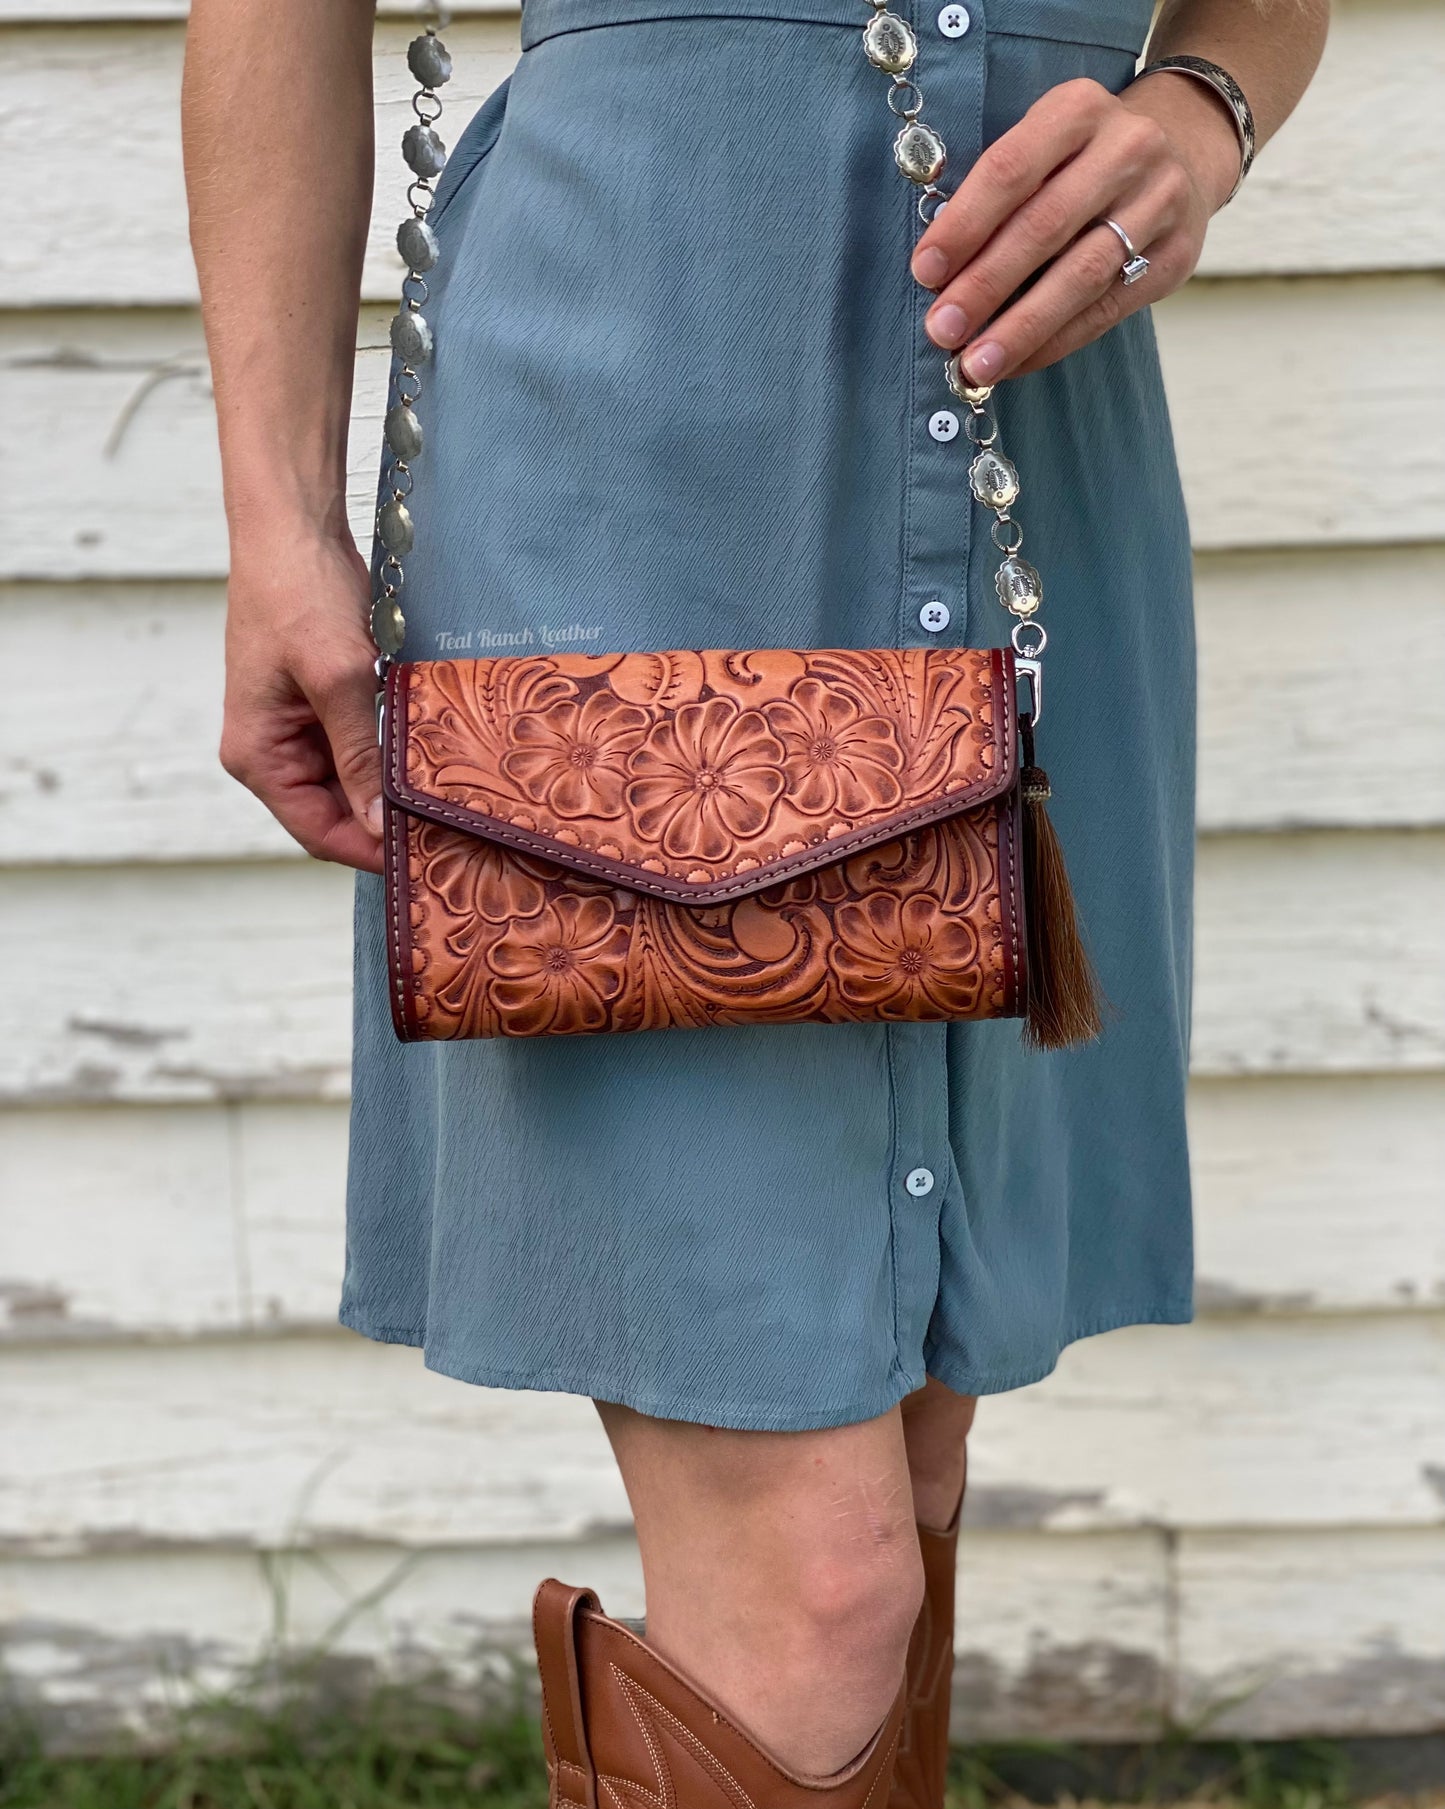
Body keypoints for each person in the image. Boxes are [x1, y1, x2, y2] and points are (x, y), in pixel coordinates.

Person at [181, 0, 1327, 1797]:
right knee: (820, 1577)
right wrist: (274, 520)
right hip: (637, 470)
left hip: (1035, 438)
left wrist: (1201, 108)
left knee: (918, 1471)